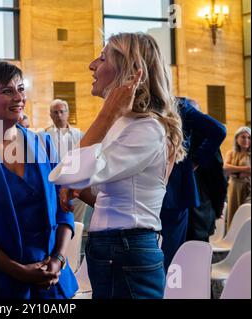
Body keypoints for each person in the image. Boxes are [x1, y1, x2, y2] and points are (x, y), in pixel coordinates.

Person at [49, 33, 185, 299]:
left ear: (130, 71)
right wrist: (79, 190)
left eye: (101, 58)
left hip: (126, 248)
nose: (91, 65)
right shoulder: (127, 124)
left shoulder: (145, 127)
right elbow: (112, 196)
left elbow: (69, 172)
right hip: (117, 247)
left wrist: (107, 113)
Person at [0, 60, 78, 299]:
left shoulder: (44, 144)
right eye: (7, 91)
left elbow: (64, 209)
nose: (18, 97)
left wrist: (59, 259)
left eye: (21, 89)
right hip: (4, 282)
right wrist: (17, 270)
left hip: (52, 280)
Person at [160, 97, 226, 270]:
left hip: (194, 210)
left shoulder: (204, 142)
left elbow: (217, 179)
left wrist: (218, 208)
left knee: (192, 262)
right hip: (183, 205)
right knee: (182, 264)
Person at [44, 99, 90, 230]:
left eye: (61, 112)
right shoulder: (44, 136)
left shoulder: (80, 135)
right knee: (58, 225)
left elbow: (86, 158)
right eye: (55, 112)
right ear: (50, 115)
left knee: (77, 225)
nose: (59, 115)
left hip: (77, 185)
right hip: (54, 187)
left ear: (68, 113)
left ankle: (75, 250)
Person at [224, 126, 251, 229]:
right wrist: (246, 169)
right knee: (233, 213)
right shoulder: (231, 153)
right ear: (237, 138)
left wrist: (235, 172)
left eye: (249, 137)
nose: (246, 140)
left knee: (246, 214)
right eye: (243, 137)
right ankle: (233, 240)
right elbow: (226, 168)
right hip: (234, 188)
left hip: (248, 188)